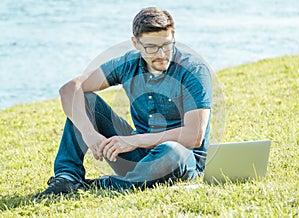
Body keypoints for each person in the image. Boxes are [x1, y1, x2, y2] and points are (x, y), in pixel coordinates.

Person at [35, 7, 212, 197]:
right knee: (85, 100)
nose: (161, 54)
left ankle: (98, 185)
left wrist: (133, 140)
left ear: (173, 36)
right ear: (136, 43)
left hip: (180, 160)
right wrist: (89, 134)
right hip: (136, 157)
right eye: (151, 47)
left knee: (171, 150)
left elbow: (194, 136)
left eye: (167, 45)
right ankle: (67, 178)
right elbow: (70, 89)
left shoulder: (194, 70)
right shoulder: (128, 64)